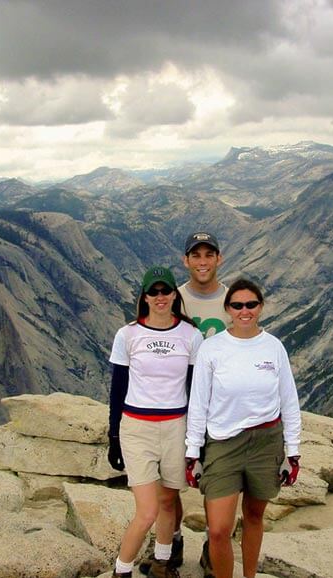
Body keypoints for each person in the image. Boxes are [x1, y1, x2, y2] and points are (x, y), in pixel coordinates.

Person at [185, 278, 302, 578]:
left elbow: (289, 400)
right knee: (220, 529)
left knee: (253, 515)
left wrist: (294, 452)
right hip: (224, 443)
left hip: (266, 441)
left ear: (260, 307)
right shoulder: (212, 349)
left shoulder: (274, 347)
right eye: (237, 305)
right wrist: (193, 453)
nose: (244, 310)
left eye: (251, 304)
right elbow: (198, 403)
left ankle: (249, 575)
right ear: (228, 310)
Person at [139, 231, 227, 577]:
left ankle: (212, 547)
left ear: (218, 259)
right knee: (169, 481)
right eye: (196, 255)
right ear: (186, 261)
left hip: (220, 407)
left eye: (209, 255)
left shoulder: (232, 299)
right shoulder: (175, 299)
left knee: (216, 481)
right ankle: (171, 543)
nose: (202, 262)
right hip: (178, 404)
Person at [108, 266, 204, 578]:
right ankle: (121, 570)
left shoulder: (191, 335)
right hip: (137, 428)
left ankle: (163, 563)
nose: (160, 297)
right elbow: (117, 389)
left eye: (166, 291)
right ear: (145, 297)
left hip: (177, 426)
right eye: (154, 291)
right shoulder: (128, 334)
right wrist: (113, 436)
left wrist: (197, 438)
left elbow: (195, 389)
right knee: (147, 510)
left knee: (168, 499)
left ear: (175, 295)